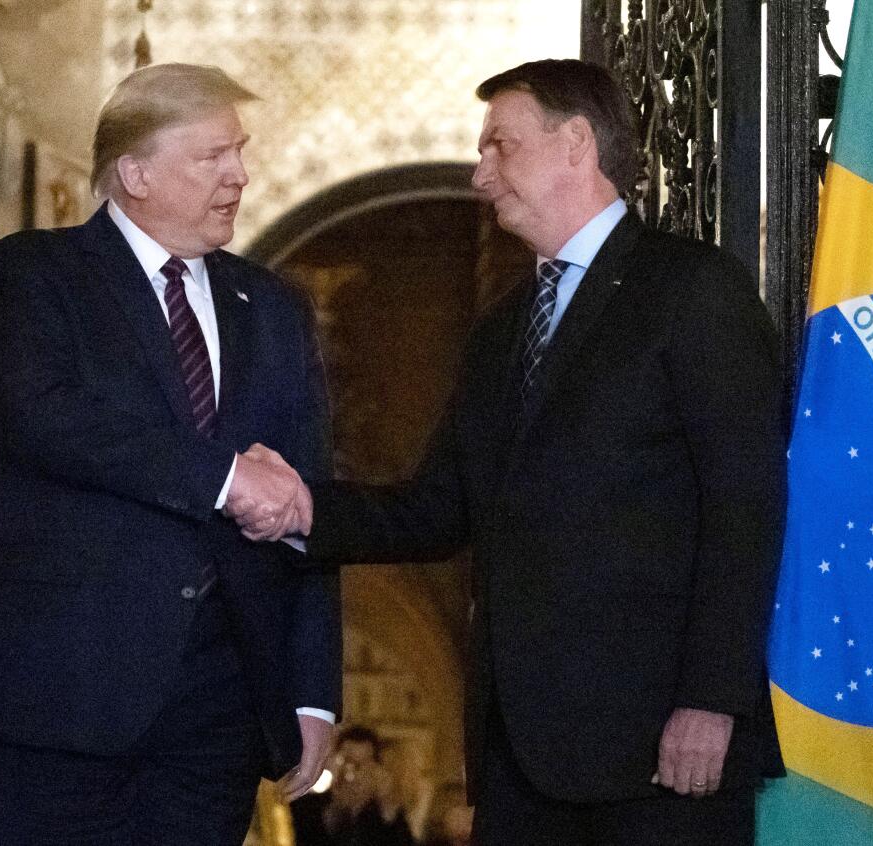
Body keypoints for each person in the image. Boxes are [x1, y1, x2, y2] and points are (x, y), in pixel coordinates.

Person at [231, 59, 785, 845]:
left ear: (576, 144)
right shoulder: (503, 330)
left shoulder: (691, 290)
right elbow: (436, 508)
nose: (480, 171)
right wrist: (301, 506)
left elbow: (746, 504)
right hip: (519, 759)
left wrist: (712, 698)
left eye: (500, 146)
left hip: (661, 747)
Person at [0, 63, 340, 845]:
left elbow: (303, 502)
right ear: (135, 172)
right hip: (59, 691)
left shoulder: (275, 307)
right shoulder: (31, 275)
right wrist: (223, 477)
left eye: (239, 152)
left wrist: (313, 693)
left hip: (218, 712)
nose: (239, 175)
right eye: (212, 156)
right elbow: (49, 421)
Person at [290, 726, 416, 846]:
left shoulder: (384, 816)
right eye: (347, 761)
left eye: (363, 764)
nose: (353, 773)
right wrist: (338, 809)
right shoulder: (305, 808)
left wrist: (388, 810)